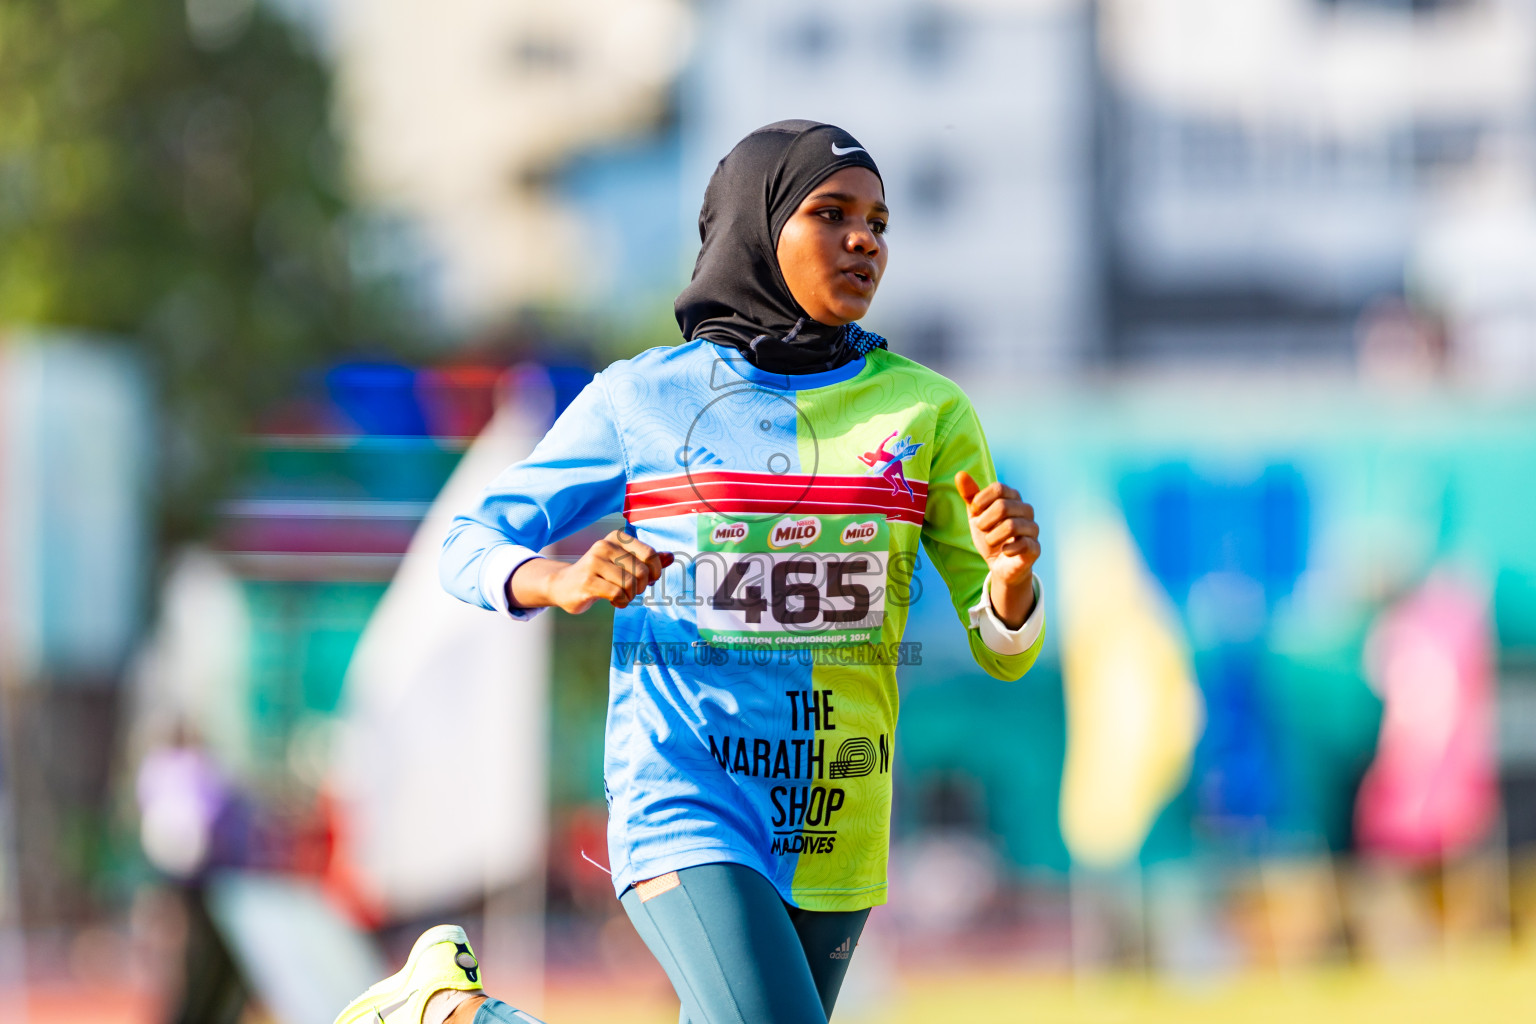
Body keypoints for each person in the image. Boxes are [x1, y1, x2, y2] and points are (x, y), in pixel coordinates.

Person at [333, 119, 1046, 1024]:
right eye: (832, 214)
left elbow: (1005, 648)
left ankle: (448, 1017)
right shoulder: (643, 398)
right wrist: (560, 580)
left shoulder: (929, 412)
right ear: (755, 227)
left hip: (838, 822)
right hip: (686, 794)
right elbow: (468, 539)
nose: (865, 239)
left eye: (879, 221)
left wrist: (1012, 582)